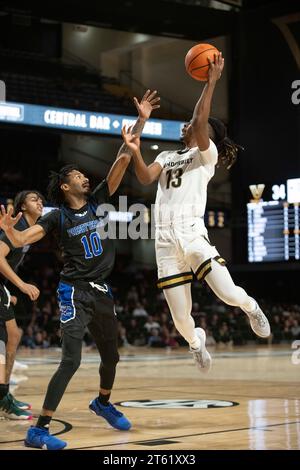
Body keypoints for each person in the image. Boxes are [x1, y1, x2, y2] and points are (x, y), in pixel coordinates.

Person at [0, 89, 160, 450]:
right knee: (71, 359)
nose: (84, 177)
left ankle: (102, 402)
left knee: (112, 356)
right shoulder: (57, 216)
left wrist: (142, 121)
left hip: (101, 289)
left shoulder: (100, 198)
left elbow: (123, 156)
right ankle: (37, 430)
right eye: (77, 175)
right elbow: (32, 237)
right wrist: (13, 233)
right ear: (64, 185)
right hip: (74, 290)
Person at [121, 53, 270, 374]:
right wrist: (138, 139)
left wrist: (211, 81)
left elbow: (201, 122)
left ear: (208, 136)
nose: (187, 124)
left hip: (191, 233)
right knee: (180, 321)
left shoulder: (207, 156)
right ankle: (195, 342)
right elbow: (146, 178)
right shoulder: (166, 154)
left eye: (193, 123)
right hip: (163, 240)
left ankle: (252, 307)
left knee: (228, 294)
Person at [0, 191, 43, 419]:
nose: (40, 202)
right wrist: (21, 285)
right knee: (7, 337)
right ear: (22, 207)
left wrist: (7, 290)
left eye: (41, 200)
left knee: (13, 336)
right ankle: (3, 399)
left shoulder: (29, 231)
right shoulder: (15, 226)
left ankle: (4, 394)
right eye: (34, 199)